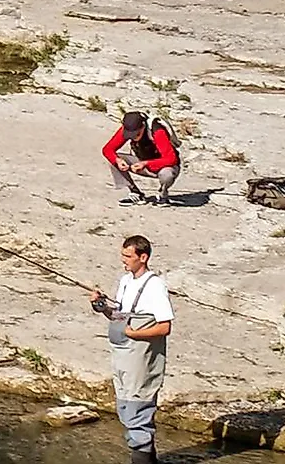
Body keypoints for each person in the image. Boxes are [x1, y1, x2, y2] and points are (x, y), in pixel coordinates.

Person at [94, 235, 175, 464]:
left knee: (137, 410)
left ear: (143, 257)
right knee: (125, 407)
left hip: (140, 359)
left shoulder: (155, 286)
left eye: (128, 256)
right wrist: (100, 306)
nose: (124, 261)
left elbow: (164, 327)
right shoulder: (125, 281)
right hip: (121, 356)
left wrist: (134, 334)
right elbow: (118, 315)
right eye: (122, 256)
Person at [102, 110, 182, 204]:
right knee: (114, 160)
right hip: (143, 163)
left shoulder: (157, 131)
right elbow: (107, 149)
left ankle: (162, 195)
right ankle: (135, 193)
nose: (133, 137)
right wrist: (118, 161)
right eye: (130, 135)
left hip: (166, 166)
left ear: (143, 126)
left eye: (137, 134)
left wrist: (145, 163)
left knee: (166, 174)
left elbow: (171, 159)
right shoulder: (127, 128)